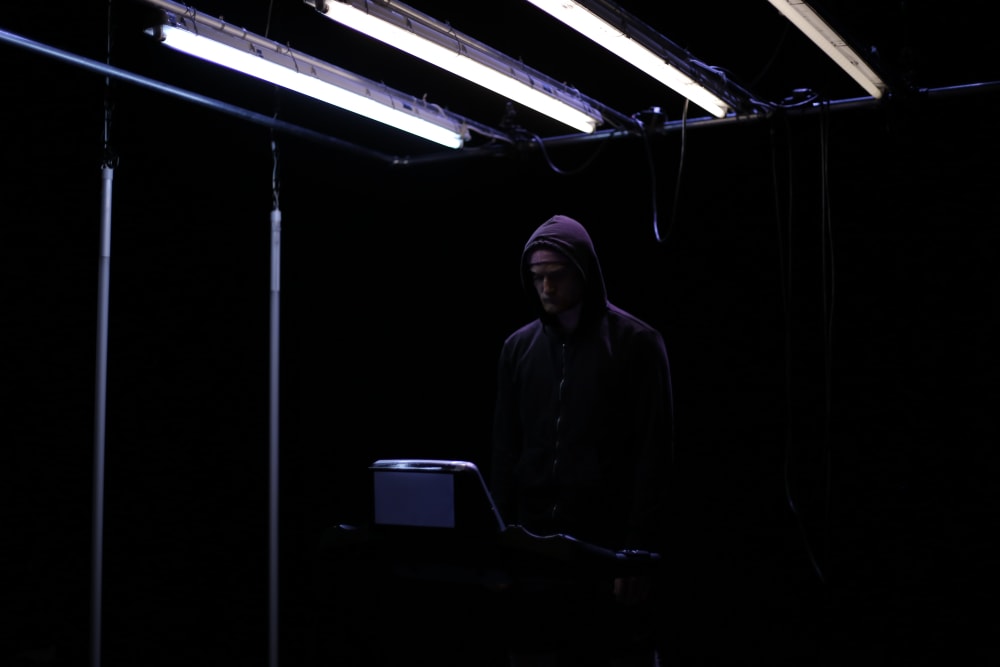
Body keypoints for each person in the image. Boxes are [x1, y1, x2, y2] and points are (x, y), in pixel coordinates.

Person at [490, 214, 675, 667]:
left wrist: (636, 552)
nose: (546, 287)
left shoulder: (636, 344)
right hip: (534, 555)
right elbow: (504, 450)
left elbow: (655, 454)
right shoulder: (518, 349)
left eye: (555, 275)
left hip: (605, 551)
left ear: (583, 272)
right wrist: (496, 545)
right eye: (537, 278)